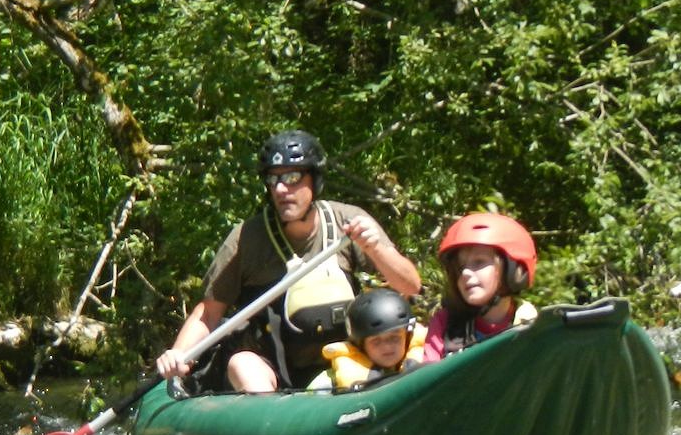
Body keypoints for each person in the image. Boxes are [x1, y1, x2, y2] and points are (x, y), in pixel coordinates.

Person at [156, 130, 422, 392]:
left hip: (346, 363)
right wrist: (179, 354)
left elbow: (410, 285)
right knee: (241, 364)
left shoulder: (347, 221)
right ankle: (270, 425)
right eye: (273, 180)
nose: (282, 189)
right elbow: (208, 313)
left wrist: (376, 249)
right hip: (272, 369)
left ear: (314, 180)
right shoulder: (246, 239)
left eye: (293, 177)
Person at [422, 212, 540, 363]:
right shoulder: (444, 324)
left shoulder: (532, 327)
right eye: (460, 266)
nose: (465, 273)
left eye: (479, 262)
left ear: (513, 270)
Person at [310, 288, 423, 391]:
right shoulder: (328, 382)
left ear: (408, 337)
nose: (387, 347)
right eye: (376, 341)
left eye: (394, 338)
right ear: (360, 345)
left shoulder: (429, 362)